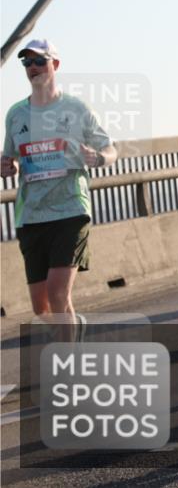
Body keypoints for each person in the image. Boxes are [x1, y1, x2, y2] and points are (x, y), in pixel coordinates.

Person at [2, 39, 117, 341]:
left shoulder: (76, 109)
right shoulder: (16, 114)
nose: (33, 67)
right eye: (27, 62)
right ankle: (72, 325)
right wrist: (7, 167)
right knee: (41, 308)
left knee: (57, 292)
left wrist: (98, 158)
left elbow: (110, 149)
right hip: (31, 215)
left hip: (70, 210)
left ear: (55, 64)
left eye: (40, 61)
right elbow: (10, 158)